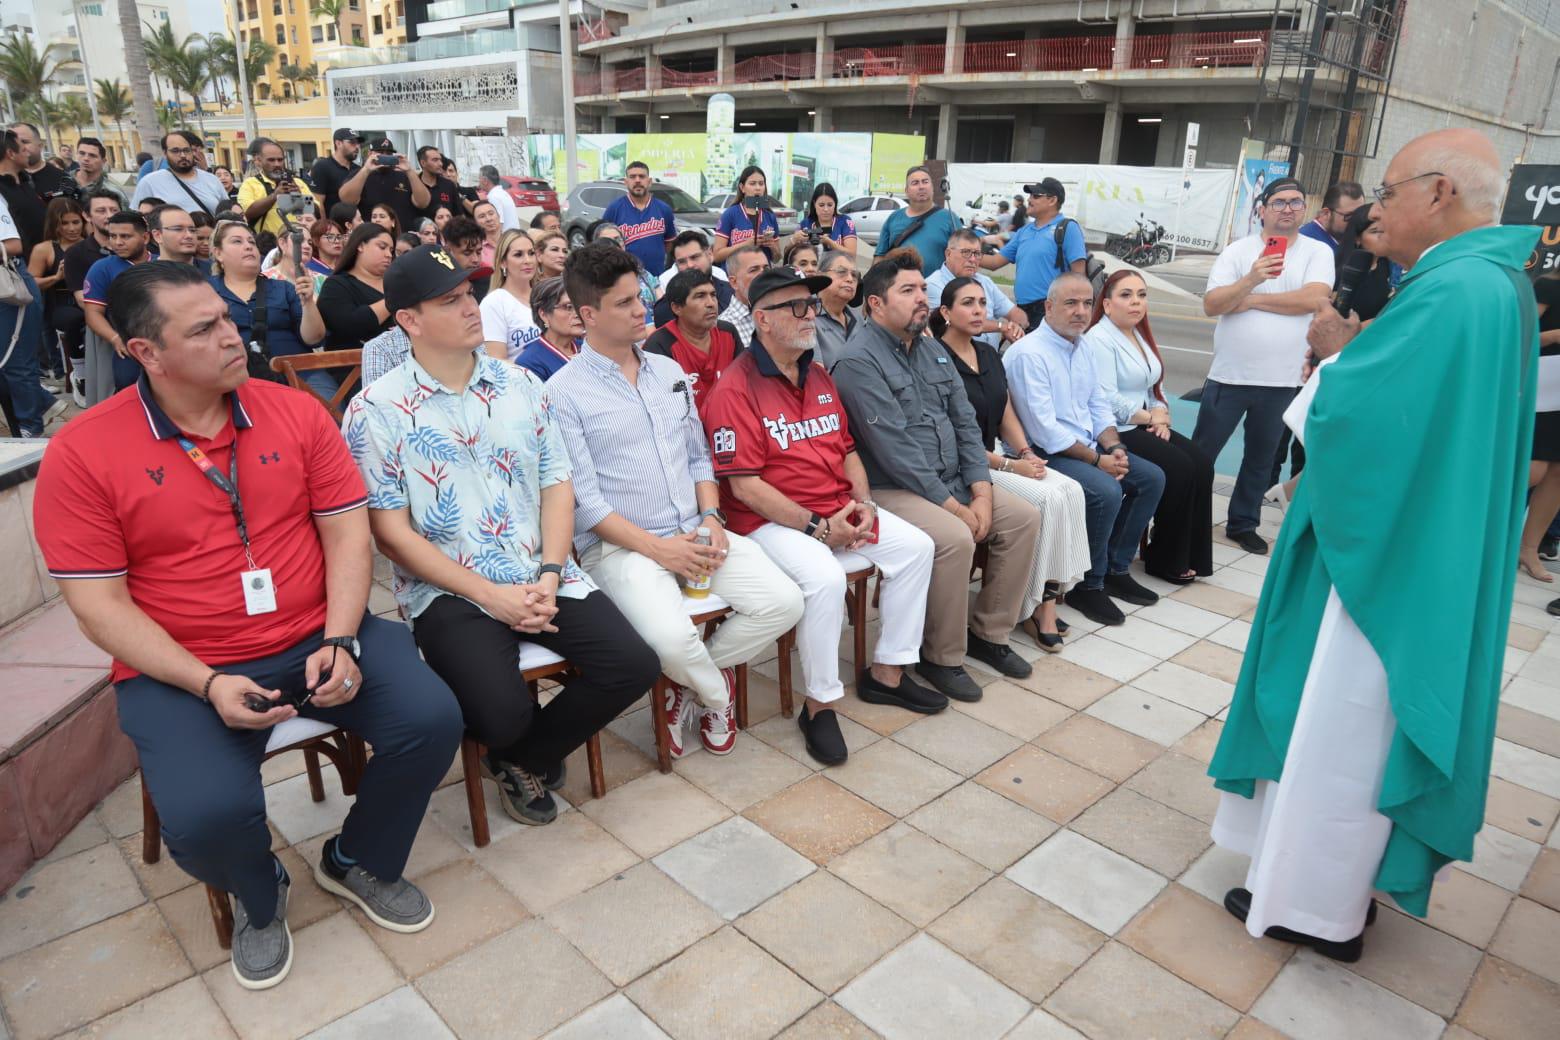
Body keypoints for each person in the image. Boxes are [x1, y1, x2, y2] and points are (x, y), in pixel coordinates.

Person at [33, 260, 462, 990]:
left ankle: (358, 859)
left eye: (227, 319)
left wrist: (340, 637)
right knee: (204, 820)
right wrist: (206, 682)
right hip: (184, 667)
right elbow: (98, 606)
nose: (234, 335)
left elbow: (346, 535)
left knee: (432, 718)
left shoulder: (291, 412)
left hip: (314, 634)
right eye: (205, 329)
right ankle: (260, 898)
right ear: (146, 353)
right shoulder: (84, 452)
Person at [1209, 128, 1538, 963]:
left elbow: (1364, 418)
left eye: (1387, 192)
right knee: (1360, 725)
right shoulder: (1489, 286)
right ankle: (1341, 886)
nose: (1367, 210)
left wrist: (1330, 359)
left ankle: (1314, 905)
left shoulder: (1452, 292)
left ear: (1439, 194)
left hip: (1381, 564)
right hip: (1420, 544)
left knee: (1339, 724)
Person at [343, 244, 656, 825]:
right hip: (448, 590)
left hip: (537, 570)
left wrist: (549, 573)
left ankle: (522, 758)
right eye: (451, 300)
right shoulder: (375, 411)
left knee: (633, 663)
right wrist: (492, 597)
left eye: (469, 294)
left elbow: (557, 486)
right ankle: (517, 744)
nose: (471, 308)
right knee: (501, 710)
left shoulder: (522, 386)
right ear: (409, 320)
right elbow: (390, 533)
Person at [547, 243, 804, 758]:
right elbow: (586, 504)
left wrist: (710, 516)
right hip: (622, 547)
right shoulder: (561, 393)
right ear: (588, 315)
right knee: (667, 642)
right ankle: (714, 693)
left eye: (641, 297)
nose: (643, 309)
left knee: (785, 603)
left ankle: (685, 686)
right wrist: (661, 551)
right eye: (624, 304)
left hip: (697, 527)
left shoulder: (667, 373)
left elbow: (698, 460)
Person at [703, 267, 944, 763]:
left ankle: (888, 674)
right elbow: (745, 487)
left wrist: (864, 504)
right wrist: (817, 529)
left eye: (811, 304)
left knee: (917, 547)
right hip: (768, 523)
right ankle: (819, 706)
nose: (810, 314)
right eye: (797, 306)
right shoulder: (734, 388)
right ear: (762, 320)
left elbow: (849, 449)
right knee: (824, 578)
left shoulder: (816, 373)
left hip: (838, 506)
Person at [833, 252, 1041, 701]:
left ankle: (990, 633)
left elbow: (965, 424)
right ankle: (941, 656)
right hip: (893, 487)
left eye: (920, 289)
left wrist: (981, 495)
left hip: (953, 478)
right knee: (955, 537)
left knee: (1022, 517)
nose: (920, 299)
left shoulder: (930, 350)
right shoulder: (859, 362)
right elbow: (896, 451)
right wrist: (956, 508)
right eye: (906, 291)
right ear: (875, 304)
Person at [932, 277, 1090, 651]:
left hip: (1001, 454)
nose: (978, 311)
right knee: (1046, 501)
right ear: (945, 312)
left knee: (1070, 490)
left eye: (983, 303)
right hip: (972, 463)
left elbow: (1004, 410)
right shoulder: (937, 360)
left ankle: (1046, 596)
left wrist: (1025, 453)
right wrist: (1007, 465)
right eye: (967, 303)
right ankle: (1037, 607)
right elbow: (953, 436)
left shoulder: (987, 354)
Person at [1004, 273, 1165, 626]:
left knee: (1151, 477)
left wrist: (1115, 446)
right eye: (1070, 303)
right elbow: (1044, 431)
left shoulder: (1084, 346)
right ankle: (1087, 586)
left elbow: (1099, 407)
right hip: (1043, 452)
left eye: (1087, 303)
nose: (1080, 312)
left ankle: (1114, 570)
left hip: (1088, 445)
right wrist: (1098, 460)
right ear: (1048, 307)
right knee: (1106, 490)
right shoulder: (1029, 354)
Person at [1194, 177, 1335, 554]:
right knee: (1201, 454)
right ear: (1262, 209)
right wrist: (1253, 278)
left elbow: (1314, 299)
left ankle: (1243, 522)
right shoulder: (1238, 253)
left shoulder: (1317, 252)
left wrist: (1252, 299)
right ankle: (1184, 515)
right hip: (1229, 374)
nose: (1288, 208)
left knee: (1261, 457)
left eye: (1296, 202)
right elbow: (1213, 304)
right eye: (1279, 202)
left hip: (1283, 379)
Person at [1084, 270, 1213, 584]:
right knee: (1180, 469)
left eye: (1141, 295)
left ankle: (1189, 553)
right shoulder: (1099, 338)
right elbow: (1106, 398)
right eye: (1126, 295)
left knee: (1202, 463)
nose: (1136, 302)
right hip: (1115, 429)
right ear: (1108, 302)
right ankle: (1163, 558)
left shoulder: (1138, 334)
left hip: (1144, 422)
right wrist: (1149, 417)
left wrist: (1162, 413)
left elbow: (1156, 385)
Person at [209, 221, 329, 397]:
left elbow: (314, 339)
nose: (248, 246)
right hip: (233, 379)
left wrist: (308, 302)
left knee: (328, 409)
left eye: (251, 242)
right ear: (218, 253)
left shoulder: (284, 288)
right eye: (237, 241)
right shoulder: (205, 291)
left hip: (299, 374)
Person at [981, 179, 1086, 330]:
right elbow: (995, 262)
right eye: (1030, 196)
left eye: (1035, 196)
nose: (1029, 200)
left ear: (1052, 200)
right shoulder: (1025, 231)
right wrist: (967, 254)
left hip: (1050, 310)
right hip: (1022, 310)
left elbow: (1079, 277)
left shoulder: (1068, 228)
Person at [0, 192, 56, 436]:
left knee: (16, 364)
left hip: (9, 288)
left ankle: (30, 429)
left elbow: (13, 245)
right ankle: (42, 402)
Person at [82, 211, 155, 392]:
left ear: (145, 237)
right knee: (130, 392)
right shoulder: (102, 268)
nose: (117, 242)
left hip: (167, 342)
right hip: (129, 345)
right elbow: (92, 312)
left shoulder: (162, 262)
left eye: (125, 236)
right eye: (112, 236)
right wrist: (115, 338)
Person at [645, 268, 743, 400]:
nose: (711, 303)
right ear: (677, 308)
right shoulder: (659, 345)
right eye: (700, 296)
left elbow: (745, 386)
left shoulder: (728, 332)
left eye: (713, 295)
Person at [62, 189, 120, 402]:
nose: (109, 215)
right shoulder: (77, 253)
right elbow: (81, 299)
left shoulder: (137, 247)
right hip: (101, 323)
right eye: (101, 210)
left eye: (114, 209)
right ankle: (82, 376)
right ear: (87, 216)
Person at [1522, 269, 1560, 582]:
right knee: (1533, 469)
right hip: (1542, 385)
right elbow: (1521, 335)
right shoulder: (1549, 286)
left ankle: (1529, 548)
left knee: (1558, 473)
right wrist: (1555, 335)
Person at [927, 229, 1026, 349]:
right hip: (953, 360)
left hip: (990, 359)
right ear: (948, 254)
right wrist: (1002, 326)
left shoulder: (985, 282)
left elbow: (1017, 313)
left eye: (977, 254)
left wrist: (1015, 328)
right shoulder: (933, 284)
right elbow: (956, 322)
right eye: (966, 252)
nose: (973, 259)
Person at [30, 196, 84, 386]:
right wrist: (56, 277)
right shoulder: (44, 249)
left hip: (89, 300)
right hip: (60, 303)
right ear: (55, 224)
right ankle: (74, 372)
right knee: (73, 319)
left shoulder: (91, 245)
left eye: (76, 222)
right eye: (64, 223)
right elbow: (31, 282)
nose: (71, 228)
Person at [317, 223, 395, 351]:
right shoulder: (336, 285)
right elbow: (350, 326)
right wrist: (394, 299)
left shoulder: (394, 283)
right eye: (382, 247)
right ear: (360, 246)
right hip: (354, 365)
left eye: (391, 250)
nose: (389, 254)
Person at [873, 166, 962, 276]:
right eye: (915, 183)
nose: (921, 186)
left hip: (938, 290)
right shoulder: (894, 218)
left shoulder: (950, 218)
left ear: (932, 187)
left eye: (925, 182)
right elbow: (880, 257)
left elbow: (962, 255)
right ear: (906, 191)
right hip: (900, 288)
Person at [602, 160, 676, 278]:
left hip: (657, 277)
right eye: (632, 177)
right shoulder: (614, 209)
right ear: (626, 182)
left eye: (642, 176)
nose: (637, 180)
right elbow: (604, 246)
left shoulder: (664, 209)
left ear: (649, 181)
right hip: (624, 277)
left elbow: (670, 244)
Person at [480, 228, 542, 363]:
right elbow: (496, 361)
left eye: (531, 253)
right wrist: (538, 368)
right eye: (518, 255)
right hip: (523, 381)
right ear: (503, 262)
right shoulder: (494, 302)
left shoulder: (546, 294)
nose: (528, 260)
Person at [131, 131, 227, 216]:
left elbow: (227, 213)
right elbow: (137, 218)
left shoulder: (212, 180)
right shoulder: (149, 182)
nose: (183, 155)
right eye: (175, 151)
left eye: (186, 150)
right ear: (165, 153)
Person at [652, 230, 732, 325]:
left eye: (695, 257)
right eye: (682, 262)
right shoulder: (666, 308)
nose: (689, 265)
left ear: (710, 254)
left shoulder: (732, 293)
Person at [354, 139, 430, 234]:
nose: (385, 156)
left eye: (389, 153)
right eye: (380, 153)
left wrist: (409, 170)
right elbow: (348, 200)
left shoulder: (404, 176)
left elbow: (423, 202)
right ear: (370, 154)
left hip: (401, 235)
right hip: (371, 235)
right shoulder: (360, 175)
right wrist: (366, 169)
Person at [238, 138, 307, 239]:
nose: (277, 164)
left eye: (280, 160)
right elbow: (247, 213)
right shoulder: (249, 184)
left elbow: (316, 211)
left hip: (298, 241)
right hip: (267, 246)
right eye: (271, 160)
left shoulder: (297, 182)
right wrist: (274, 196)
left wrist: (300, 198)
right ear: (258, 161)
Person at [518, 276, 584, 381]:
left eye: (579, 306)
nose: (578, 314)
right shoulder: (529, 362)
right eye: (568, 307)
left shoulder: (586, 348)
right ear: (543, 314)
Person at [714, 166, 780, 264]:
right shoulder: (730, 214)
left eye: (761, 184)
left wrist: (773, 247)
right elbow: (717, 256)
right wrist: (745, 244)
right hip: (738, 275)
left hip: (762, 276)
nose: (758, 188)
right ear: (742, 187)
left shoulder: (770, 216)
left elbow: (776, 259)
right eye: (752, 184)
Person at [0, 128, 46, 257]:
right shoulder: (2, 191)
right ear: (11, 153)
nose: (28, 154)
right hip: (21, 266)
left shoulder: (27, 181)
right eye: (23, 149)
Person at [814, 249, 860, 369]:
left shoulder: (860, 320)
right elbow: (816, 375)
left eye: (854, 275)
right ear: (820, 276)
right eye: (841, 272)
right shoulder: (807, 316)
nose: (850, 279)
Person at [718, 244, 769, 350]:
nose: (763, 275)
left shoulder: (781, 313)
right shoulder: (723, 328)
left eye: (766, 268)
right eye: (754, 270)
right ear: (734, 282)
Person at [308, 128, 366, 216]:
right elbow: (315, 203)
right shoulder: (321, 167)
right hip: (331, 226)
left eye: (358, 143)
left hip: (354, 225)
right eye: (352, 142)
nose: (357, 146)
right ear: (338, 143)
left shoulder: (358, 169)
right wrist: (324, 227)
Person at [6, 122, 69, 201]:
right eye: (13, 143)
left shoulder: (63, 179)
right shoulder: (5, 182)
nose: (19, 147)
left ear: (40, 146)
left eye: (24, 142)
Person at [792, 182, 857, 257]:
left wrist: (829, 243)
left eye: (830, 205)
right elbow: (789, 255)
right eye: (821, 205)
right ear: (814, 204)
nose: (826, 209)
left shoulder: (845, 222)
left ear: (835, 204)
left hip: (839, 268)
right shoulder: (805, 223)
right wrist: (794, 240)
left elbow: (852, 255)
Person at [1297, 181, 1365, 252]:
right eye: (1350, 216)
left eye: (1362, 214)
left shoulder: (1338, 240)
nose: (1358, 221)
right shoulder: (1308, 244)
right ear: (1326, 214)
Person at [71, 137, 128, 209]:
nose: (86, 158)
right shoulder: (61, 181)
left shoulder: (113, 191)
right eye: (82, 153)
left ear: (103, 161)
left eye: (92, 155)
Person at [414, 146, 469, 219]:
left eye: (440, 160)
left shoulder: (449, 185)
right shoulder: (413, 184)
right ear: (423, 163)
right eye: (435, 160)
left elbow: (459, 215)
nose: (440, 164)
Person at [146, 204, 206, 270]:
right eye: (178, 229)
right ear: (157, 235)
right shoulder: (142, 276)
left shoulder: (213, 272)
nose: (189, 235)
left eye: (192, 230)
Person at [476, 166, 518, 232]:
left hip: (506, 239)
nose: (478, 182)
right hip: (513, 236)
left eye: (479, 179)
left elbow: (498, 224)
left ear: (485, 181)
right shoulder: (502, 193)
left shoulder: (493, 197)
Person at [473, 201, 503, 267]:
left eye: (491, 213)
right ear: (476, 223)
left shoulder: (513, 241)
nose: (488, 219)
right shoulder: (475, 249)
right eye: (482, 216)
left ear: (499, 216)